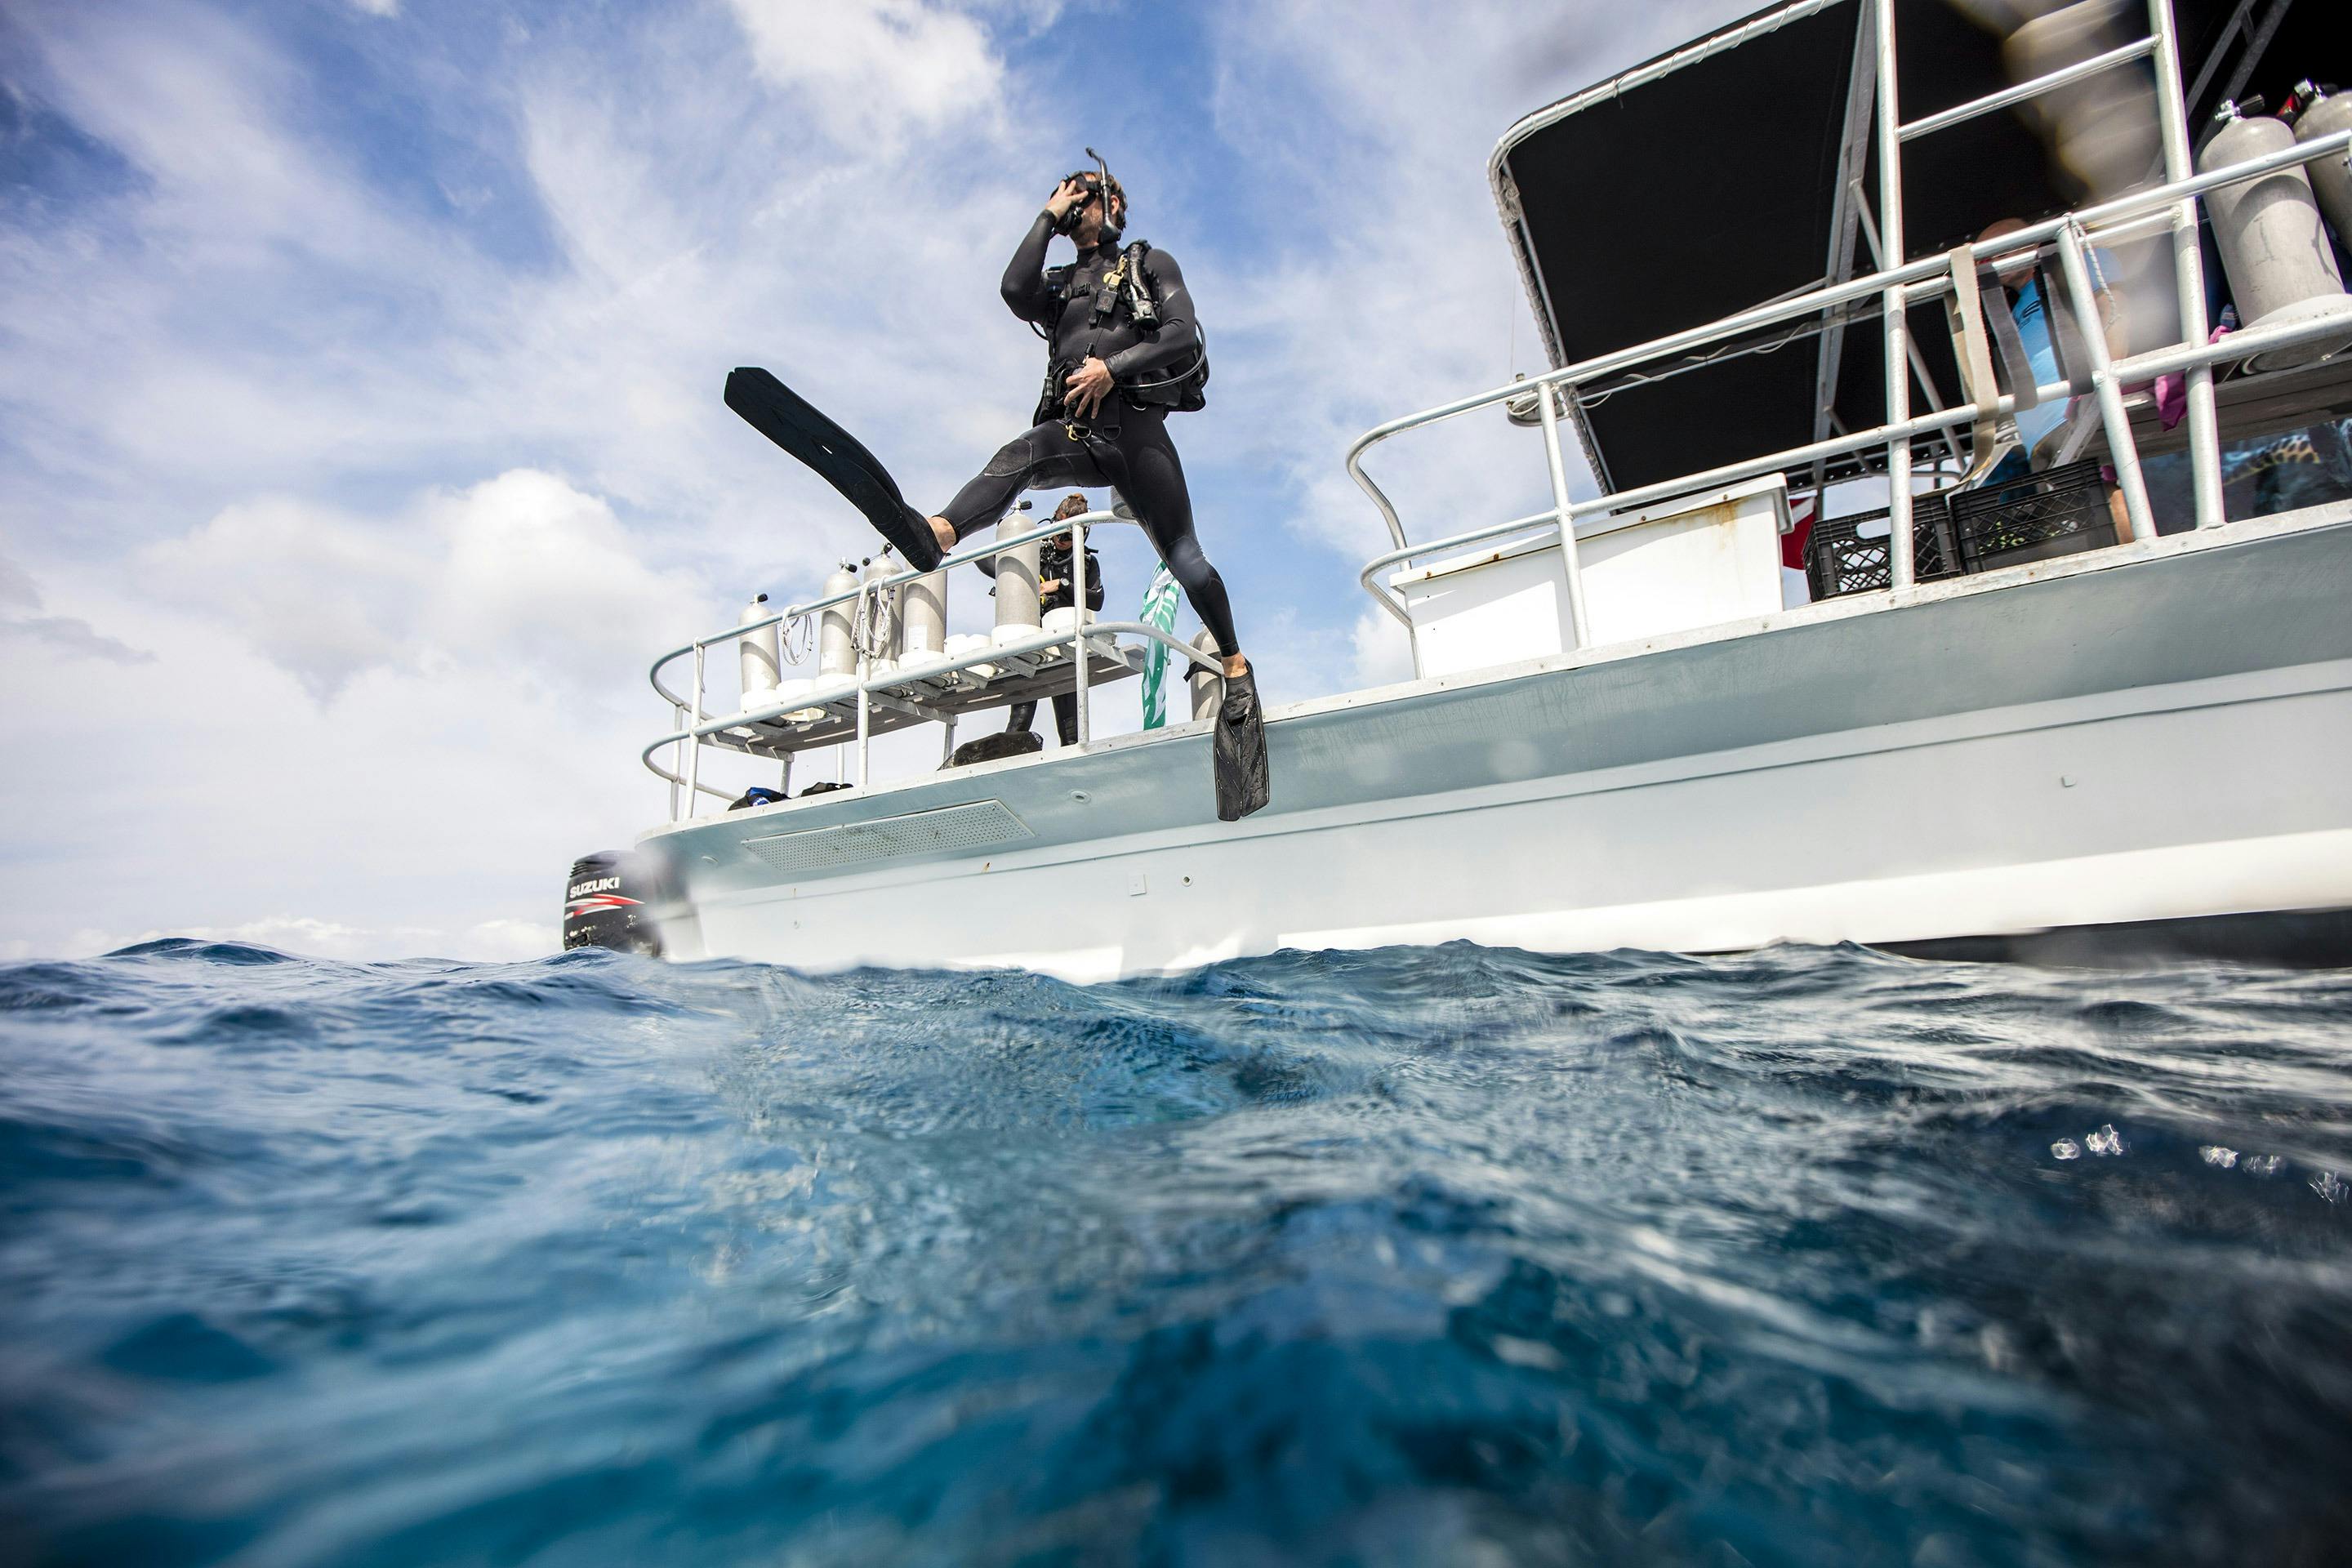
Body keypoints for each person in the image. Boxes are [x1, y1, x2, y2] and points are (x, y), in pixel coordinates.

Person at [917, 170, 1252, 693]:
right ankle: (940, 531)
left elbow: (1183, 334)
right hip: (1072, 430)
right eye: (1065, 197)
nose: (1073, 204)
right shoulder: (1058, 285)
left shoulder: (1149, 264)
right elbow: (1012, 287)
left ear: (1112, 201)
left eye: (1083, 195)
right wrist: (1048, 217)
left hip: (1135, 431)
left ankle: (1234, 662)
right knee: (1018, 456)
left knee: (1184, 556)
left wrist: (1111, 369)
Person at [1975, 218, 2132, 535]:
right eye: (1983, 259)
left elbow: (2114, 311)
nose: (1988, 263)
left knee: (2114, 494)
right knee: (2087, 517)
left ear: (2029, 242)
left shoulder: (2075, 262)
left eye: (1995, 251)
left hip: (2081, 409)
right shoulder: (2009, 307)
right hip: (2041, 437)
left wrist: (2108, 380)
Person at [1000, 493, 1103, 747]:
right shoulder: (1034, 551)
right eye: (1059, 529)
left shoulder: (1086, 562)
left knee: (1070, 729)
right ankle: (1006, 767)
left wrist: (1063, 585)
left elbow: (1097, 600)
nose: (1061, 539)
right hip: (1031, 644)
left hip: (1064, 650)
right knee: (1019, 719)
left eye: (1069, 534)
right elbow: (991, 564)